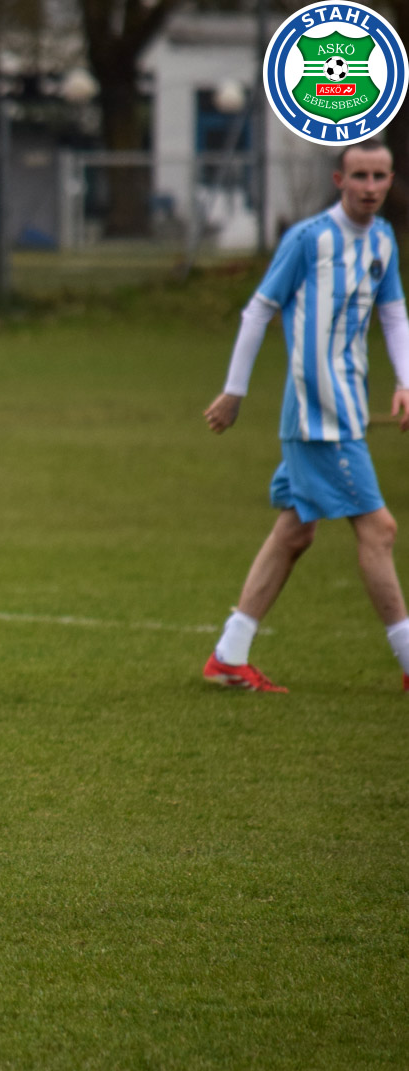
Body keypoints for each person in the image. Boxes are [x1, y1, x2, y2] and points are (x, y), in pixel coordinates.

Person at [202, 140, 409, 693]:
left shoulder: (383, 240)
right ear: (339, 180)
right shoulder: (309, 239)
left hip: (349, 407)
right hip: (319, 416)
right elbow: (258, 311)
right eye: (360, 176)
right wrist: (234, 392)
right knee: (380, 529)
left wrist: (405, 381)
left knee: (295, 531)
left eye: (380, 176)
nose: (370, 186)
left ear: (391, 180)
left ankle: (229, 656)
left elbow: (393, 313)